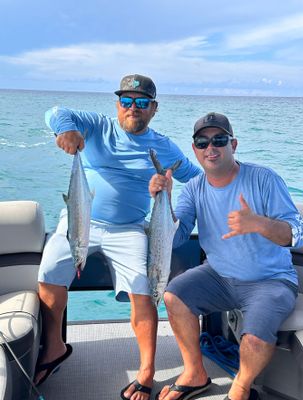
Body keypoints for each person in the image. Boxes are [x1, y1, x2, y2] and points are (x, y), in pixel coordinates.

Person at [35, 74, 201, 400]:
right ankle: (54, 347)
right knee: (49, 271)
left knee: (144, 285)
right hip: (82, 218)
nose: (133, 108)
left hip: (130, 228)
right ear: (117, 105)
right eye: (127, 101)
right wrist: (65, 130)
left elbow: (196, 180)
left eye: (141, 103)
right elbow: (55, 111)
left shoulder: (164, 147)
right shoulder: (97, 126)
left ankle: (147, 371)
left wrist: (232, 180)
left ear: (153, 108)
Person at [149, 112, 303, 400]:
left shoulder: (263, 179)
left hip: (270, 280)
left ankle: (241, 386)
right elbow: (178, 235)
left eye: (219, 140)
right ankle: (194, 372)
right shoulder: (194, 189)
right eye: (202, 141)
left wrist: (259, 223)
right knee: (173, 296)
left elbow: (299, 234)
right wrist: (163, 199)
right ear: (195, 149)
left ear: (233, 144)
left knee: (256, 337)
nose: (211, 147)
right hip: (218, 275)